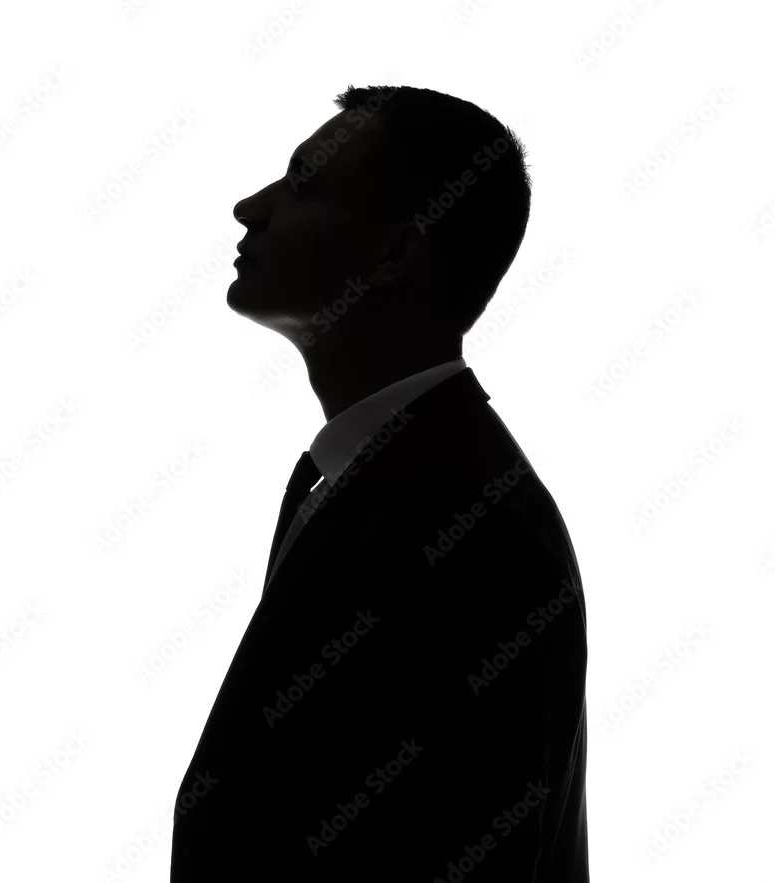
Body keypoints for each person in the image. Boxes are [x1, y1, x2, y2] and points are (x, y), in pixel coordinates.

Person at [170, 84, 589, 882]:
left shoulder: (472, 528)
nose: (249, 207)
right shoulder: (373, 481)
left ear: (396, 254)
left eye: (304, 187)